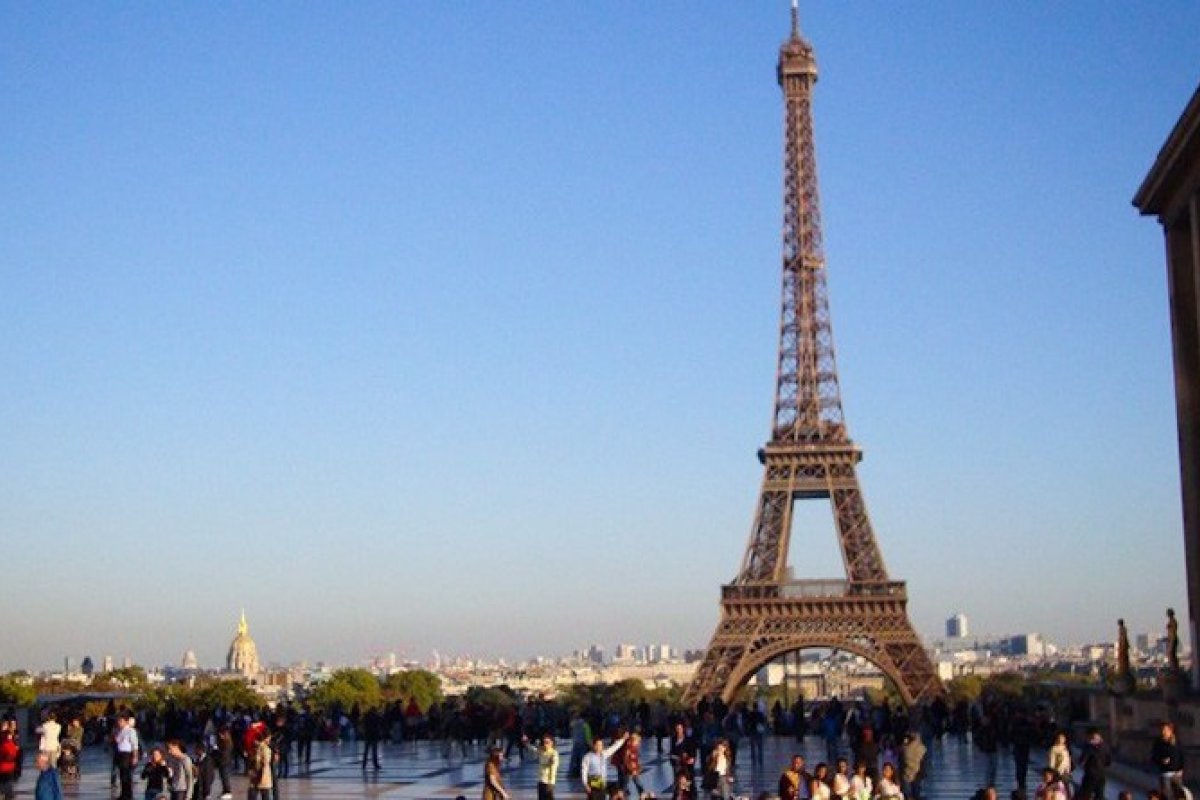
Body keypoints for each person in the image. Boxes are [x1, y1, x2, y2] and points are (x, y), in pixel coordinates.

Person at [583, 735, 629, 800]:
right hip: (593, 783)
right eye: (598, 745)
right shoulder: (588, 757)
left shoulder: (603, 754)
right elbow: (584, 771)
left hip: (602, 782)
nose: (600, 747)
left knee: (613, 789)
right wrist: (585, 784)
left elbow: (614, 747)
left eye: (601, 745)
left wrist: (623, 739)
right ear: (594, 746)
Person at [1152, 723, 1185, 800]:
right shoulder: (1158, 742)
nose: (1163, 732)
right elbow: (1153, 757)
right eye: (1161, 730)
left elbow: (1181, 755)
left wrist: (1181, 768)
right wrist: (1161, 760)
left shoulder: (1176, 742)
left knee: (1179, 795)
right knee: (1166, 796)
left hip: (1177, 774)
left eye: (1165, 730)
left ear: (1170, 731)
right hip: (1165, 773)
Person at [1076, 728, 1110, 800]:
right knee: (1095, 795)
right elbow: (1108, 761)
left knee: (1090, 794)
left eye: (1092, 737)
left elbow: (1082, 760)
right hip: (1097, 774)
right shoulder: (1104, 746)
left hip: (1093, 775)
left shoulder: (1091, 747)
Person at [115, 713, 141, 800]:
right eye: (118, 721)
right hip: (120, 754)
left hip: (127, 755)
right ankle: (123, 794)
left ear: (126, 721)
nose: (119, 723)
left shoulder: (131, 731)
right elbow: (117, 741)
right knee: (122, 776)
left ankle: (128, 795)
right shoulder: (120, 730)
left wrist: (135, 757)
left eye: (121, 721)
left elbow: (135, 745)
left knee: (127, 776)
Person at [534, 733, 561, 800]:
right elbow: (533, 749)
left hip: (548, 782)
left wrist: (551, 783)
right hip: (541, 781)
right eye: (544, 742)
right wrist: (526, 743)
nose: (545, 744)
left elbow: (554, 768)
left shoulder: (554, 753)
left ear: (551, 743)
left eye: (547, 742)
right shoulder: (542, 751)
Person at [899, 733, 925, 800]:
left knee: (909, 793)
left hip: (910, 773)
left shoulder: (905, 746)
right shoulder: (921, 748)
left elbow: (901, 760)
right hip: (914, 773)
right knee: (913, 793)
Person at [1047, 733, 1072, 797]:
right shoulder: (1054, 749)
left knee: (1066, 789)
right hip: (1057, 772)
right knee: (1058, 789)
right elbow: (1051, 761)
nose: (1061, 740)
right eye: (1060, 738)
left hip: (1065, 772)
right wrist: (1051, 772)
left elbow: (1067, 760)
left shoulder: (1065, 748)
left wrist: (1068, 769)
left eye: (1063, 738)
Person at [248, 734, 273, 800]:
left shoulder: (264, 748)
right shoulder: (259, 748)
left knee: (263, 794)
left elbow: (265, 762)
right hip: (258, 775)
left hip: (262, 775)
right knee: (254, 793)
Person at [0, 730, 19, 800]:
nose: (10, 736)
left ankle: (4, 794)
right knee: (7, 782)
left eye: (11, 735)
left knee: (5, 781)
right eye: (9, 735)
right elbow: (11, 755)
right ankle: (7, 794)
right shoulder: (6, 744)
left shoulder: (9, 743)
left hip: (7, 766)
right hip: (6, 767)